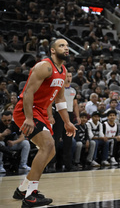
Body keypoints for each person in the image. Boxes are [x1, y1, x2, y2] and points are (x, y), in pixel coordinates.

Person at [12, 38, 76, 207]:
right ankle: (30, 196)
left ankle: (23, 188)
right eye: (62, 45)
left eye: (67, 46)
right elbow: (27, 93)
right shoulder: (44, 66)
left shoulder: (63, 70)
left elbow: (60, 100)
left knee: (51, 151)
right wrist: (28, 118)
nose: (66, 48)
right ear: (52, 50)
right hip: (26, 110)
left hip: (41, 112)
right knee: (47, 146)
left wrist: (67, 122)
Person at [48, 71, 79, 172]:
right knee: (55, 140)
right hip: (59, 114)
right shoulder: (58, 89)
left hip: (69, 114)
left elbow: (75, 105)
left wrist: (77, 116)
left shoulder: (73, 90)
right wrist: (50, 116)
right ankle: (52, 164)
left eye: (70, 76)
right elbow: (49, 102)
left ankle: (68, 164)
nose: (69, 78)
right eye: (67, 76)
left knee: (68, 141)